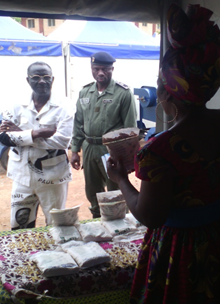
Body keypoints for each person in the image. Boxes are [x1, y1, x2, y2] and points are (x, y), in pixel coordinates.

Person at [107, 4, 220, 303]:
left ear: (167, 92)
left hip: (181, 251)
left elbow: (150, 215)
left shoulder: (160, 150)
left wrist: (120, 178)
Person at [0, 61, 73, 230]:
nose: (42, 81)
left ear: (52, 79)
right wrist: (36, 133)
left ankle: (56, 256)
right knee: (20, 224)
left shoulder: (64, 106)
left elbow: (62, 141)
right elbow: (4, 136)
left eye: (46, 77)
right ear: (28, 80)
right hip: (22, 177)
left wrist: (20, 133)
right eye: (36, 77)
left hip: (53, 177)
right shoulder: (16, 104)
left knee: (57, 225)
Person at [71, 51, 137, 218]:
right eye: (96, 68)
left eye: (105, 69)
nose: (100, 73)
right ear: (91, 69)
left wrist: (127, 158)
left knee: (116, 190)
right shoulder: (85, 92)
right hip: (89, 147)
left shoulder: (123, 93)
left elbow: (130, 128)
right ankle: (97, 221)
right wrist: (74, 150)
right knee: (93, 189)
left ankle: (120, 227)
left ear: (112, 69)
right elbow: (78, 122)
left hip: (111, 150)